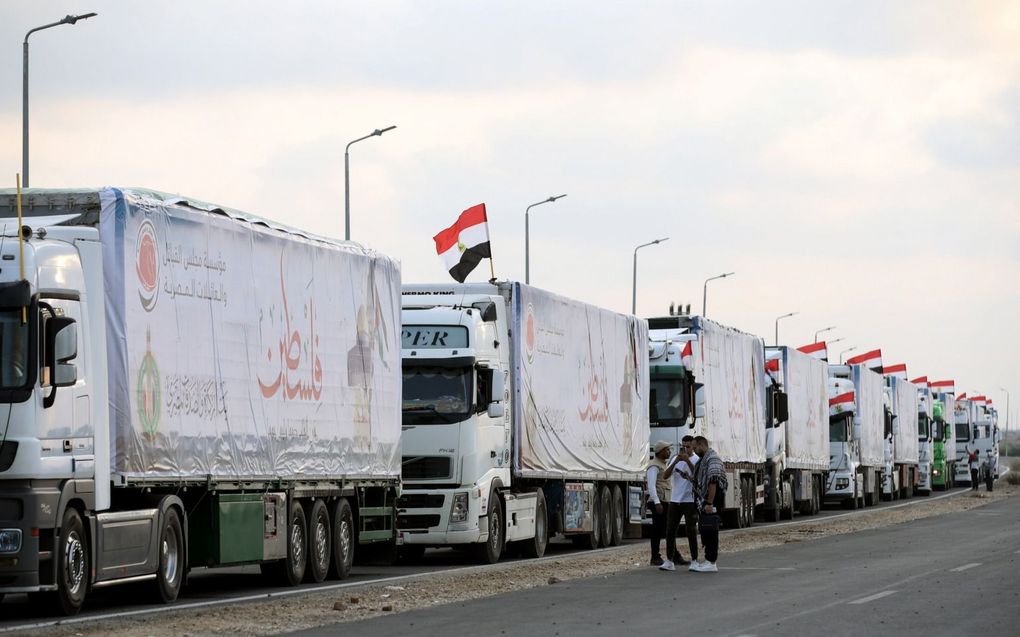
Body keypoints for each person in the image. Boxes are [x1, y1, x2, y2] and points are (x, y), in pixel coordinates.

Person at [659, 435, 699, 571]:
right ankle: (670, 560)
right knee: (670, 530)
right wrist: (676, 460)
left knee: (691, 531)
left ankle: (694, 560)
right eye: (683, 446)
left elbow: (698, 475)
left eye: (688, 447)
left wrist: (688, 461)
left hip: (689, 500)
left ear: (693, 447)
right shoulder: (675, 459)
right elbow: (665, 475)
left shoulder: (696, 459)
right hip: (675, 500)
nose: (685, 449)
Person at [690, 435, 727, 573]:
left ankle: (711, 562)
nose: (694, 450)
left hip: (712, 501)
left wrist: (709, 502)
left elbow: (713, 481)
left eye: (695, 447)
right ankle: (708, 560)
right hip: (706, 501)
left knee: (711, 530)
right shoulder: (704, 460)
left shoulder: (713, 460)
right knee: (706, 530)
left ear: (701, 444)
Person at [646, 441, 672, 566]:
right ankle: (655, 556)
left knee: (665, 529)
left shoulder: (663, 464)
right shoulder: (654, 466)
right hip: (658, 501)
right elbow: (651, 486)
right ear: (660, 451)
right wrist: (657, 502)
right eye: (667, 450)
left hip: (664, 500)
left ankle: (669, 555)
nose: (669, 452)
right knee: (658, 530)